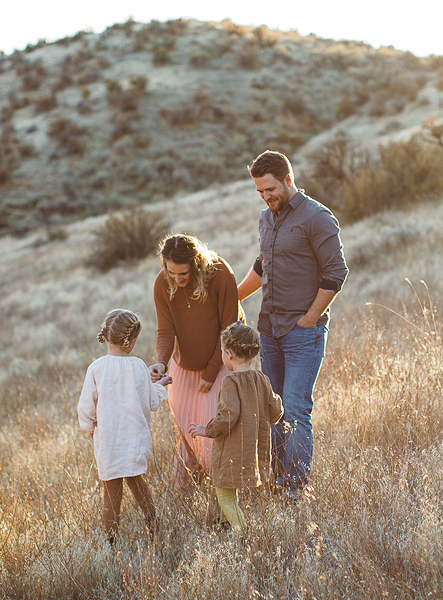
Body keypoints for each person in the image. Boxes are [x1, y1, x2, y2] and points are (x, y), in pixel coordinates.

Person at [237, 150, 348, 502]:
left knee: (296, 408)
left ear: (288, 179)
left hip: (302, 333)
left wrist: (309, 319)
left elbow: (336, 273)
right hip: (268, 330)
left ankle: (297, 489)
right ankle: (278, 480)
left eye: (270, 189)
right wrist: (232, 297)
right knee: (274, 408)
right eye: (259, 192)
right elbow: (262, 264)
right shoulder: (265, 219)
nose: (266, 197)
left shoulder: (318, 218)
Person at [149, 234, 242, 489]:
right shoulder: (162, 283)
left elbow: (229, 328)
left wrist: (212, 371)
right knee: (189, 430)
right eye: (171, 272)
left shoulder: (221, 273)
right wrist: (161, 363)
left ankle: (227, 487)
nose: (177, 279)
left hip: (220, 361)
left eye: (183, 274)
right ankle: (193, 487)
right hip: (183, 367)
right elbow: (165, 332)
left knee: (214, 429)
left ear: (197, 265)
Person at [77, 308, 172, 543]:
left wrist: (90, 429)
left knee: (110, 494)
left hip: (108, 441)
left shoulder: (96, 368)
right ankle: (155, 530)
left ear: (107, 337)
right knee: (138, 483)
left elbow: (86, 408)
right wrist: (162, 385)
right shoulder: (139, 366)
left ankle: (111, 543)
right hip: (134, 439)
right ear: (131, 342)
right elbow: (151, 401)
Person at [188, 322, 283, 532]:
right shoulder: (262, 379)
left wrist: (207, 429)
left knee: (225, 496)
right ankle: (226, 527)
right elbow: (276, 413)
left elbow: (228, 416)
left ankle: (244, 532)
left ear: (229, 354)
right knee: (232, 491)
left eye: (222, 351)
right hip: (251, 452)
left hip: (230, 450)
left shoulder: (231, 381)